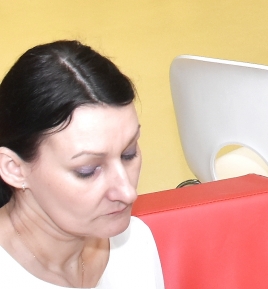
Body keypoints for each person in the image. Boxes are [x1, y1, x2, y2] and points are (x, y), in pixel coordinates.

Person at [0, 40, 164, 289]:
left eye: (128, 154)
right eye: (87, 171)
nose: (127, 193)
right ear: (13, 168)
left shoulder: (133, 244)